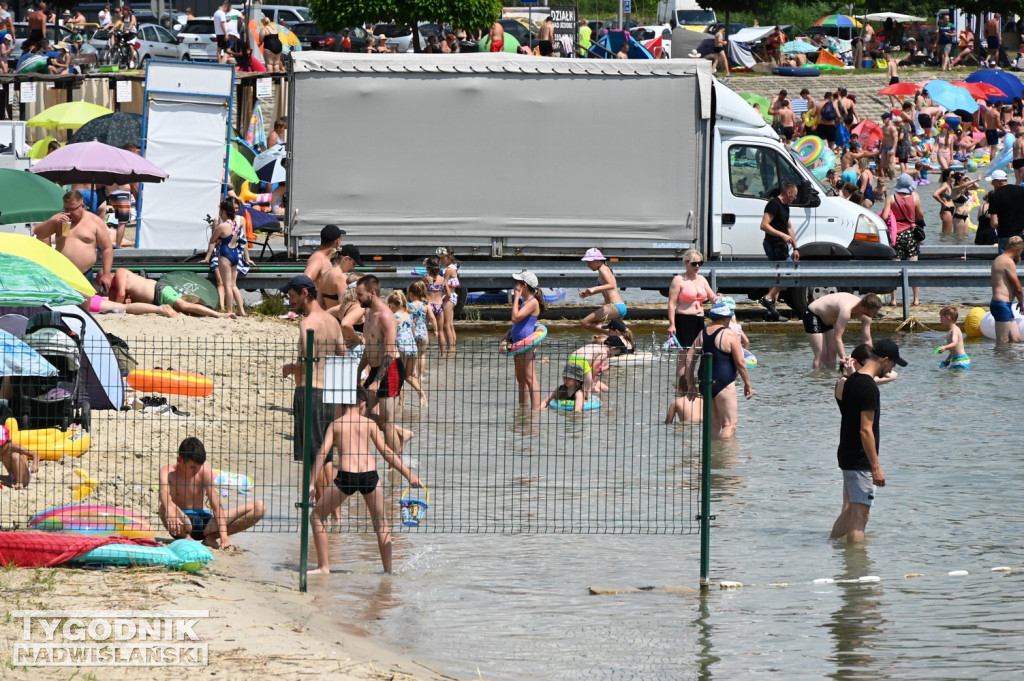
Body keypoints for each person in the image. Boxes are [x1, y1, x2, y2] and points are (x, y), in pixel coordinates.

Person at [307, 388, 422, 574]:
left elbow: (322, 453)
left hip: (346, 477)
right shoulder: (369, 424)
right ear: (362, 405)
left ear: (342, 405)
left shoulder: (335, 425)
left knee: (317, 517)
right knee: (381, 524)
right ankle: (388, 571)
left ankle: (324, 567)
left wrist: (313, 483)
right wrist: (409, 475)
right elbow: (387, 453)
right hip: (370, 475)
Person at [830, 340, 905, 544]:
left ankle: (831, 548)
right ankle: (858, 569)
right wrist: (876, 467)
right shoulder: (870, 388)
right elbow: (866, 430)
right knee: (860, 517)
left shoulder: (850, 380)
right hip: (860, 459)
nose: (891, 369)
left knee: (851, 512)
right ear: (885, 360)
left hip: (847, 454)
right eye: (893, 364)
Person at [280, 274, 345, 466]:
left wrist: (289, 368)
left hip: (309, 394)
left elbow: (307, 360)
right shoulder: (333, 321)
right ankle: (322, 496)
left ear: (305, 293)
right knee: (325, 456)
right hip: (330, 394)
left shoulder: (307, 323)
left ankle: (317, 497)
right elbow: (344, 356)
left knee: (313, 458)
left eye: (292, 296)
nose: (290, 301)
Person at [159, 437, 265, 548]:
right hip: (181, 522)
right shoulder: (168, 472)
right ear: (180, 460)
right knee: (164, 506)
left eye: (199, 467)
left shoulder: (204, 471)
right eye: (193, 467)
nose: (196, 471)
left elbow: (216, 506)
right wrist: (170, 509)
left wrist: (224, 537)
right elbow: (163, 491)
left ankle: (211, 538)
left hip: (206, 524)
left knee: (259, 507)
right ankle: (186, 538)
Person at [684, 300, 752, 440]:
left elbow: (689, 358)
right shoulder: (729, 334)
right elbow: (740, 362)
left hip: (705, 382)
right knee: (729, 425)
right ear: (724, 318)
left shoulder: (702, 334)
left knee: (713, 426)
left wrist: (691, 384)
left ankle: (711, 457)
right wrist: (747, 383)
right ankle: (724, 458)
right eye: (728, 317)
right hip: (724, 382)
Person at [355, 275, 406, 455]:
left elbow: (389, 351)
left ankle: (396, 467)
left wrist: (377, 381)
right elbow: (370, 347)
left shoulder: (385, 316)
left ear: (372, 292)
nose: (357, 298)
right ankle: (400, 435)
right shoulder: (368, 313)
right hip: (376, 368)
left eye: (360, 294)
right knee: (361, 413)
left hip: (390, 368)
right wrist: (359, 370)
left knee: (388, 422)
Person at [34, 190, 114, 291]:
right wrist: (52, 220)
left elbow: (107, 248)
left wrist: (106, 275)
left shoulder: (95, 221)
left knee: (84, 306)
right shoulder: (59, 219)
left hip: (84, 274)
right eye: (66, 208)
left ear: (83, 206)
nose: (69, 213)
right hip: (61, 274)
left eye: (73, 209)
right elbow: (39, 234)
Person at [107, 268, 234, 318]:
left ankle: (218, 314)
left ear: (108, 274)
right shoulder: (117, 285)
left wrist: (116, 308)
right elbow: (125, 299)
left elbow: (121, 296)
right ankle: (206, 311)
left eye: (100, 281)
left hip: (160, 290)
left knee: (185, 306)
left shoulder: (119, 273)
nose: (102, 285)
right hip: (156, 300)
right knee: (186, 310)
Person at [803, 292, 883, 370]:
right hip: (814, 314)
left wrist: (871, 359)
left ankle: (828, 380)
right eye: (874, 312)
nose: (875, 314)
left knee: (832, 353)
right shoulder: (846, 309)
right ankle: (817, 380)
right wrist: (844, 357)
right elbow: (838, 337)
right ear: (864, 309)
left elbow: (867, 340)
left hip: (829, 319)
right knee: (821, 355)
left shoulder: (867, 316)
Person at [758, 181, 800, 321]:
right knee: (791, 274)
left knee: (778, 278)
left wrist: (795, 247)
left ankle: (772, 313)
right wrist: (781, 235)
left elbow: (790, 228)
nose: (795, 198)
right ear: (788, 193)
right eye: (794, 195)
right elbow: (764, 225)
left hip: (782, 246)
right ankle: (768, 298)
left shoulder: (786, 207)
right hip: (773, 244)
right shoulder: (774, 204)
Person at [202, 199, 252, 316]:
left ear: (224, 211)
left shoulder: (222, 226)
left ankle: (229, 311)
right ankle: (241, 310)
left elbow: (212, 240)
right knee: (234, 285)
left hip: (225, 254)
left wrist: (219, 239)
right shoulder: (236, 225)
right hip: (236, 254)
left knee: (227, 285)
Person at [881, 173, 925, 306]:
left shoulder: (891, 198)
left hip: (896, 235)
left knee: (895, 268)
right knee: (913, 268)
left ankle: (894, 300)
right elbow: (920, 215)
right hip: (911, 234)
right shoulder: (915, 197)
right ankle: (916, 299)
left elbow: (884, 216)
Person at [506, 270, 545, 409]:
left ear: (524, 285)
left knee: (530, 378)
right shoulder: (525, 301)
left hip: (527, 345)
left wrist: (515, 298)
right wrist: (509, 333)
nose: (515, 286)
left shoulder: (533, 302)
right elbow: (519, 322)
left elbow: (515, 317)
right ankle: (522, 408)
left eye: (517, 283)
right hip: (517, 343)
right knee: (520, 379)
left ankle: (536, 410)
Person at [667, 249, 715, 352]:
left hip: (699, 319)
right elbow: (671, 304)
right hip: (684, 319)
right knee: (685, 355)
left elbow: (712, 297)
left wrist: (721, 299)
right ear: (686, 263)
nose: (697, 266)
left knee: (697, 353)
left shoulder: (702, 279)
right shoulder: (678, 280)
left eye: (700, 263)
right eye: (694, 263)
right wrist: (672, 324)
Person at [386, 290, 425, 406]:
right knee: (408, 376)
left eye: (389, 305)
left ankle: (401, 403)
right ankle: (421, 393)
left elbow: (391, 336)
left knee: (399, 376)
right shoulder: (409, 317)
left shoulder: (394, 318)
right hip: (412, 348)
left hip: (401, 348)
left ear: (393, 304)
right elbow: (413, 335)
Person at [579, 248, 626, 334]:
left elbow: (611, 285)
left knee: (585, 322)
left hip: (614, 307)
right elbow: (604, 287)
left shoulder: (603, 269)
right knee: (596, 323)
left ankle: (613, 333)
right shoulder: (604, 269)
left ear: (597, 260)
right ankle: (619, 336)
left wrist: (594, 289)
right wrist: (588, 293)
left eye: (589, 263)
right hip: (618, 307)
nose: (588, 265)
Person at [990, 235, 1024, 343]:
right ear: (1018, 249)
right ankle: (999, 360)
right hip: (1001, 305)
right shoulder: (1008, 262)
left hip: (1004, 305)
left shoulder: (999, 259)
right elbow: (1017, 287)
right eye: (1021, 251)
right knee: (1002, 341)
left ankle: (1011, 360)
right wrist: (1022, 302)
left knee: (1016, 339)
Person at [986, 169, 1024, 253]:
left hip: (1005, 235)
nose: (991, 183)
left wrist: (1000, 229)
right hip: (1021, 234)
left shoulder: (994, 196)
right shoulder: (1021, 190)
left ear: (998, 181)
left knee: (1005, 262)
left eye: (993, 181)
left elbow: (994, 222)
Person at [317, 243, 361, 314]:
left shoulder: (325, 275)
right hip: (337, 320)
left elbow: (319, 303)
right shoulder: (341, 277)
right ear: (346, 259)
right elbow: (344, 306)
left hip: (327, 319)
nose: (353, 267)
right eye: (353, 263)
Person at [406, 281, 435, 385]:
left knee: (414, 354)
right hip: (423, 333)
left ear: (411, 294)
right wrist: (436, 330)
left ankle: (413, 372)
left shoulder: (409, 306)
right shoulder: (426, 305)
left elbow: (407, 319)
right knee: (422, 355)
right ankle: (421, 376)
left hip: (412, 333)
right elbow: (432, 318)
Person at [436, 247, 460, 357]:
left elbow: (443, 283)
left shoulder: (449, 269)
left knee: (446, 325)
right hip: (452, 297)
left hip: (448, 298)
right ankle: (453, 347)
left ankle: (450, 349)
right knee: (450, 325)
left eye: (443, 258)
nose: (441, 260)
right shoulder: (451, 268)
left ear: (449, 258)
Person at [0, 423, 38, 489]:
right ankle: (15, 480)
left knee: (15, 455)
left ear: (8, 441)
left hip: (24, 476)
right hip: (12, 476)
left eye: (1, 445)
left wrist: (35, 465)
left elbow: (35, 454)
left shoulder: (13, 446)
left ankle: (19, 483)